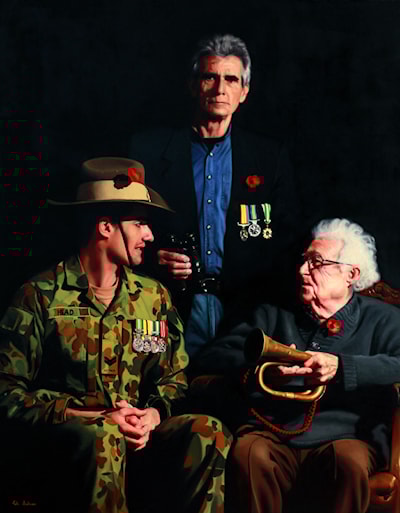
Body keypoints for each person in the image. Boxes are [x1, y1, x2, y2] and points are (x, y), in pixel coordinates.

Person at [0, 157, 231, 513]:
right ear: (106, 227)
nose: (149, 236)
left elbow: (173, 381)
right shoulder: (39, 296)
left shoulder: (153, 297)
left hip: (141, 443)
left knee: (208, 431)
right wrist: (92, 417)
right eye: (140, 223)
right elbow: (7, 394)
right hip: (69, 451)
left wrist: (153, 415)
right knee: (104, 437)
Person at [195, 218, 400, 513]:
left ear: (351, 274)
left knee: (348, 462)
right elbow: (213, 356)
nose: (303, 270)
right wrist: (263, 369)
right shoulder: (272, 314)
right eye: (304, 260)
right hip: (274, 433)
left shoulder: (384, 319)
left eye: (317, 262)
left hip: (346, 437)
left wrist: (342, 367)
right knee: (249, 452)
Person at [130, 33, 300, 363]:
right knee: (158, 385)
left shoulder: (269, 158)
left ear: (244, 92)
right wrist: (152, 257)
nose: (220, 88)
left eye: (231, 79)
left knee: (232, 389)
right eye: (210, 77)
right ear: (194, 85)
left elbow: (287, 239)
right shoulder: (148, 152)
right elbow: (121, 229)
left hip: (244, 312)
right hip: (162, 305)